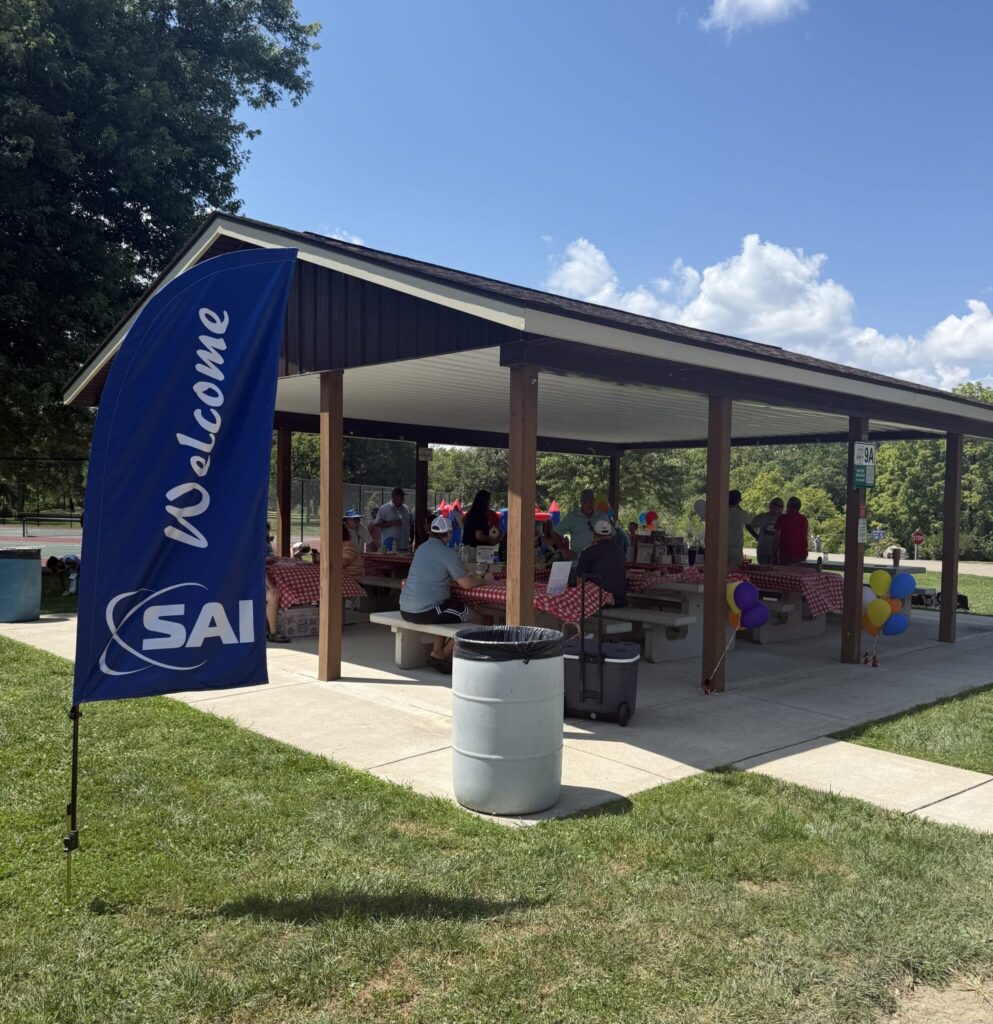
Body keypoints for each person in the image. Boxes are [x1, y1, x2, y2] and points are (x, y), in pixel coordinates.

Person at [399, 516, 492, 673]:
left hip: (406, 609)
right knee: (481, 621)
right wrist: (486, 581)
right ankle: (442, 656)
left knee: (449, 609)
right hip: (426, 611)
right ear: (448, 534)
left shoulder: (421, 548)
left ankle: (438, 652)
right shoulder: (447, 553)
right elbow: (467, 583)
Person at [576, 519, 628, 607]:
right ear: (611, 535)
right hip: (619, 601)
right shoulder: (620, 551)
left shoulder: (589, 551)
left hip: (597, 602)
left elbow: (579, 579)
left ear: (594, 534)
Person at [552, 489, 610, 558]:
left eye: (591, 502)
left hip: (599, 559)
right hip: (578, 561)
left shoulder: (602, 516)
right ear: (581, 502)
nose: (588, 505)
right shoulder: (572, 517)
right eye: (585, 502)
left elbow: (612, 535)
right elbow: (555, 533)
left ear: (594, 502)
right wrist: (565, 550)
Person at [462, 490, 501, 561]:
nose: (490, 503)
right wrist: (491, 539)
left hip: (467, 549)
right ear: (485, 501)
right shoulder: (480, 515)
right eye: (489, 500)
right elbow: (479, 536)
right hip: (478, 551)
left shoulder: (469, 514)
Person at [373, 487, 413, 552]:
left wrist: (411, 541)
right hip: (389, 548)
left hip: (404, 547)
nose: (403, 499)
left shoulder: (406, 509)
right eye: (401, 496)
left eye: (403, 496)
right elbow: (377, 523)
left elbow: (411, 526)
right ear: (394, 497)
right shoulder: (384, 508)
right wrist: (391, 523)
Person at [748, 497, 784, 566]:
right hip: (763, 550)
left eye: (780, 505)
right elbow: (749, 526)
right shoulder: (762, 516)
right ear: (770, 505)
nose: (777, 507)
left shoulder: (784, 518)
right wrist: (756, 536)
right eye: (775, 504)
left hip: (777, 552)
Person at [776, 497, 809, 565]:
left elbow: (777, 538)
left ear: (788, 505)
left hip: (786, 552)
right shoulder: (804, 519)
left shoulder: (782, 518)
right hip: (801, 552)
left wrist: (774, 553)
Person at [727, 490, 752, 567]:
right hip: (736, 551)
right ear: (739, 501)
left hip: (721, 548)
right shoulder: (743, 514)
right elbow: (749, 524)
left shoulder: (721, 512)